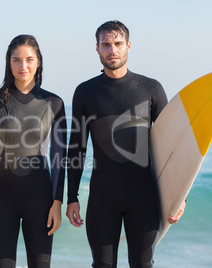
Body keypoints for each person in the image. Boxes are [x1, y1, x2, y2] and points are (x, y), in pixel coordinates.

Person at [66, 20, 185, 267]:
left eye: (118, 43)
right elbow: (77, 147)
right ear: (97, 48)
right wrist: (72, 197)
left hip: (144, 198)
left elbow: (169, 147)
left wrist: (179, 197)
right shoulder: (86, 92)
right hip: (102, 198)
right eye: (106, 44)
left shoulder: (150, 89)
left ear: (129, 46)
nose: (112, 50)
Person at [0, 34, 67, 268]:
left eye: (29, 59)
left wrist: (57, 202)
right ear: (9, 63)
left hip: (39, 198)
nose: (23, 66)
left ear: (38, 61)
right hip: (1, 198)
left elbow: (59, 157)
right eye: (16, 60)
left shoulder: (54, 103)